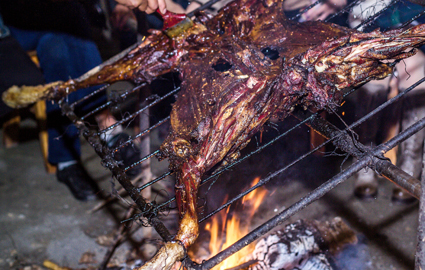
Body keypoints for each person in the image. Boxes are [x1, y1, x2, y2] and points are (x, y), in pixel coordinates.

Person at [0, 0, 141, 201]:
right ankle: (107, 124)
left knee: (55, 45)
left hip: (56, 22)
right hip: (14, 27)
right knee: (68, 20)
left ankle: (66, 161)